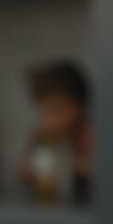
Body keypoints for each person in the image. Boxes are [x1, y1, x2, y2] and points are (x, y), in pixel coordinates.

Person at [18, 60, 92, 201]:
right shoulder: (42, 136)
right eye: (45, 112)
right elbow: (23, 174)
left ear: (81, 107)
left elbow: (106, 171)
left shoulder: (89, 134)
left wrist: (65, 163)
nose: (50, 120)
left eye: (58, 111)